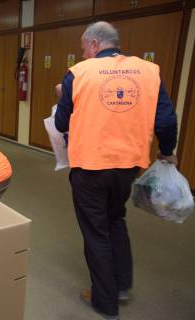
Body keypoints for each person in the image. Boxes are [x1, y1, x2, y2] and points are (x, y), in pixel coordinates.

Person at [55, 21, 177, 320]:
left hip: (90, 167)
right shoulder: (149, 71)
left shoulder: (79, 73)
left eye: (83, 48)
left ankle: (105, 302)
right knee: (115, 219)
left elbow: (60, 124)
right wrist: (166, 151)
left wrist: (62, 96)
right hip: (128, 166)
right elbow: (166, 120)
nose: (83, 54)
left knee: (96, 231)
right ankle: (122, 285)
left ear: (94, 44)